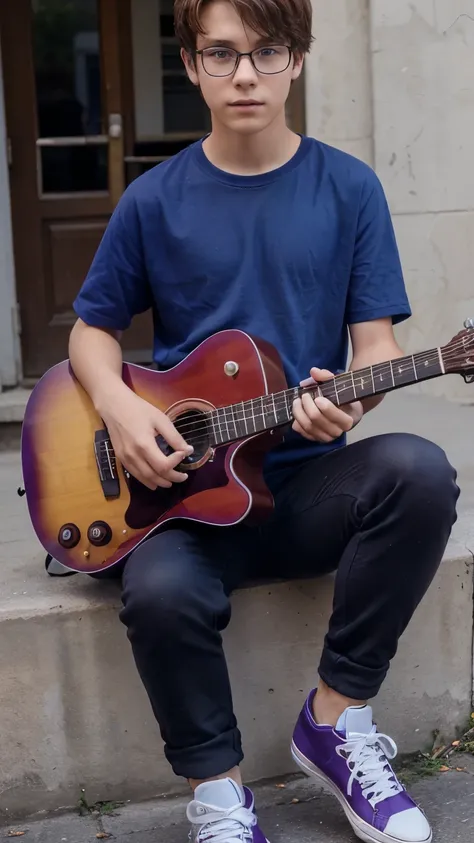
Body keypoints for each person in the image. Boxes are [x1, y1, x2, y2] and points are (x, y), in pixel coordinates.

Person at [69, 0, 459, 841]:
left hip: (303, 487)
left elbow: (375, 345)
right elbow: (91, 330)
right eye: (222, 54)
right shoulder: (155, 199)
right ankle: (219, 790)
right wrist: (120, 407)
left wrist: (353, 397)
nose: (245, 73)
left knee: (421, 471)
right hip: (185, 497)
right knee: (161, 589)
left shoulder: (349, 188)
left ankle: (337, 719)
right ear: (191, 66)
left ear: (299, 61)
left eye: (266, 52)